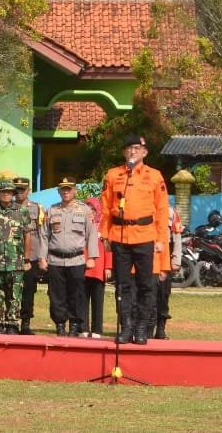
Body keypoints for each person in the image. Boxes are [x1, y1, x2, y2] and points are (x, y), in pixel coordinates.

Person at [100, 135, 170, 345]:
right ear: (124, 152)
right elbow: (105, 207)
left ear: (144, 152)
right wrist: (105, 234)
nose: (133, 151)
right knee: (122, 285)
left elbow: (162, 209)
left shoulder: (154, 176)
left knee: (146, 284)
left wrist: (161, 239)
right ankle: (126, 327)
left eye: (137, 148)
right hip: (120, 235)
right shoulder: (113, 175)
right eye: (129, 148)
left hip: (145, 235)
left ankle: (141, 327)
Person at [38, 178, 99, 337]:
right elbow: (44, 235)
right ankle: (60, 324)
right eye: (63, 189)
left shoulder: (84, 210)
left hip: (76, 260)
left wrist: (92, 257)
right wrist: (42, 258)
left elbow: (92, 234)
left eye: (69, 189)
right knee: (56, 295)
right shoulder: (51, 210)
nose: (66, 192)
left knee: (76, 294)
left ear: (75, 191)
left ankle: (74, 325)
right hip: (55, 260)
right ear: (59, 192)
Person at [0, 180, 33, 335]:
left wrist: (27, 259)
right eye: (3, 192)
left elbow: (27, 236)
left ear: (13, 194)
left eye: (9, 192)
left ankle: (12, 325)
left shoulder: (22, 211)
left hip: (15, 262)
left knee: (14, 296)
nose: (6, 194)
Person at [13, 176, 45, 335]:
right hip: (11, 256)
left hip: (30, 257)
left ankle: (25, 323)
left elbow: (42, 234)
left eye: (22, 189)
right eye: (17, 189)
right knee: (11, 291)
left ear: (29, 191)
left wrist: (41, 257)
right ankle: (11, 322)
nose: (19, 192)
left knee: (28, 291)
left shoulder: (37, 209)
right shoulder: (8, 208)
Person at [153, 207, 184, 340]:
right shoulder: (145, 207)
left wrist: (176, 260)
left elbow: (177, 237)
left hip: (165, 260)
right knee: (147, 296)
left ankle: (161, 329)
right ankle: (146, 328)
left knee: (163, 296)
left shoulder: (170, 212)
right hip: (147, 259)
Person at [82, 198, 110, 338]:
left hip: (99, 269)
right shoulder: (81, 224)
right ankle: (83, 328)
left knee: (98, 301)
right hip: (83, 267)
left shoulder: (103, 226)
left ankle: (97, 330)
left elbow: (108, 248)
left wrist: (108, 267)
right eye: (88, 209)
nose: (91, 212)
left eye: (93, 209)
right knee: (82, 299)